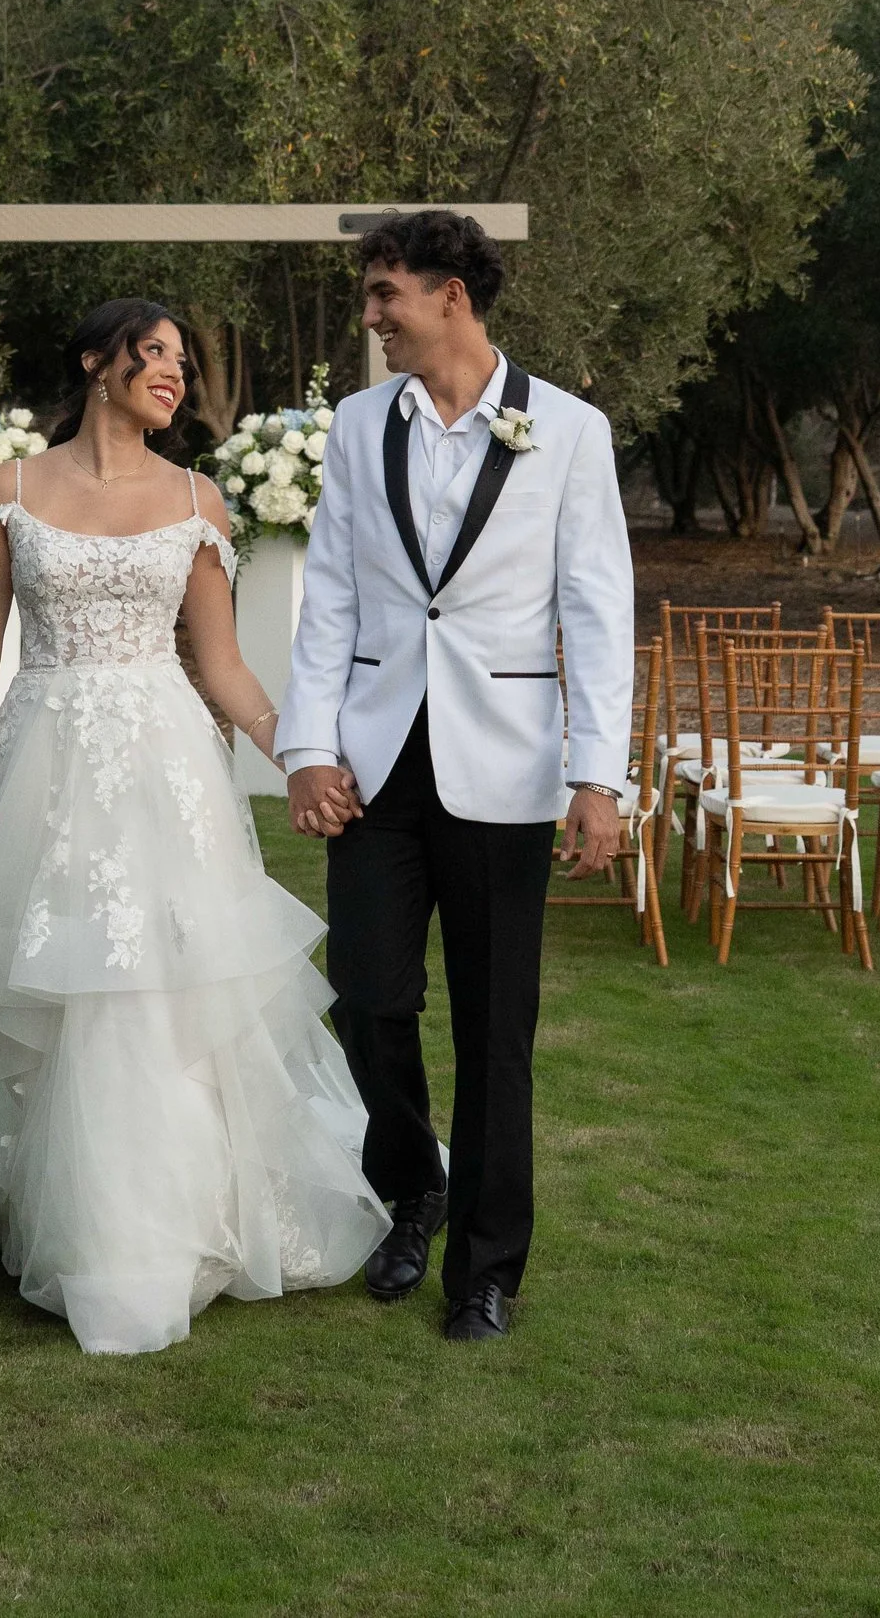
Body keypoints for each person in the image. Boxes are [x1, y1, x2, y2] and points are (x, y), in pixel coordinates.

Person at [0, 299, 388, 1356]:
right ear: (97, 361)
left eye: (184, 361)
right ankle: (32, 1205)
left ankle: (163, 1220)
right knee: (45, 978)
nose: (174, 374)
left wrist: (303, 758)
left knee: (156, 985)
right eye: (156, 354)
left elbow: (221, 666)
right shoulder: (14, 488)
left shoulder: (198, 499)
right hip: (42, 755)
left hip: (166, 764)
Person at [276, 210, 634, 1343]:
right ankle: (411, 1191)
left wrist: (599, 776)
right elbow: (329, 592)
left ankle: (486, 1266)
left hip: (511, 768)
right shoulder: (353, 426)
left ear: (450, 298)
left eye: (385, 293)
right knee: (369, 998)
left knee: (495, 1030)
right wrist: (308, 747)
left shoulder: (569, 430)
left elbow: (598, 610)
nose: (372, 316)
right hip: (374, 766)